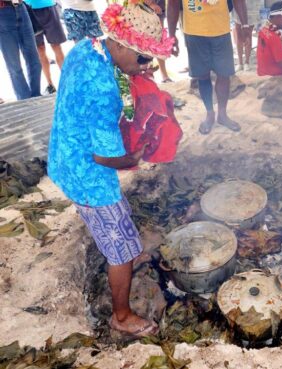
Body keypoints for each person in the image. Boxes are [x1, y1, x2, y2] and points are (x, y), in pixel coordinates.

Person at [47, 1, 174, 337]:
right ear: (119, 44)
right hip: (88, 174)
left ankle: (122, 253)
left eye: (150, 58)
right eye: (142, 57)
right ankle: (121, 315)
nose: (146, 65)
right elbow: (105, 158)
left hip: (64, 154)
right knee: (122, 248)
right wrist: (134, 158)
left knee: (118, 229)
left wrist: (133, 74)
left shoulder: (86, 48)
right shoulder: (104, 90)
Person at [167, 0, 249, 135]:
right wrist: (171, 34)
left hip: (221, 31)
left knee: (224, 74)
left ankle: (222, 114)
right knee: (202, 76)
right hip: (194, 33)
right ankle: (210, 114)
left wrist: (245, 23)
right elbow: (172, 4)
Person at [0, 0, 42, 100]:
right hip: (2, 12)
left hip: (21, 8)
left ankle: (36, 96)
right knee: (14, 65)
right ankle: (24, 100)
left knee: (34, 61)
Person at [24, 0, 66, 94]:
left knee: (56, 46)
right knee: (40, 49)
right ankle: (50, 85)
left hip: (47, 6)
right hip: (29, 9)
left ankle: (67, 80)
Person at [232, 0, 262, 72]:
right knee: (239, 34)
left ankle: (247, 62)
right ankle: (240, 63)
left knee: (248, 34)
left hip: (251, 5)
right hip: (238, 4)